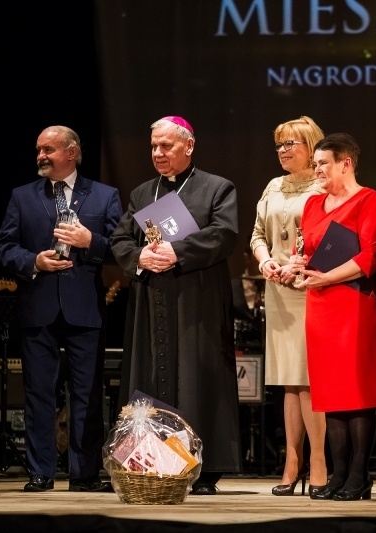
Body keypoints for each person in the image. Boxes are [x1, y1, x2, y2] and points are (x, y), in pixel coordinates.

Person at [110, 116, 240, 495]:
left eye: (166, 146)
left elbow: (224, 234)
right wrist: (139, 258)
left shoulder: (218, 188)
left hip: (196, 304)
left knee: (196, 377)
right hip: (151, 305)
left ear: (189, 145)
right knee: (150, 378)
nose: (158, 153)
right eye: (153, 146)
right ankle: (148, 463)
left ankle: (203, 466)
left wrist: (175, 251)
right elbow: (120, 239)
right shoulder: (142, 193)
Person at [0, 125, 122, 492]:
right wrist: (34, 261)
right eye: (38, 150)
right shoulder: (22, 196)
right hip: (39, 306)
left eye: (48, 149)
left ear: (73, 153)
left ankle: (84, 474)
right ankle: (41, 473)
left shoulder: (104, 195)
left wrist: (90, 241)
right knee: (39, 393)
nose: (41, 156)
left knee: (87, 394)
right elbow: (4, 248)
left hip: (85, 308)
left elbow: (121, 248)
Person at [290, 133, 376, 501]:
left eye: (323, 163)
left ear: (345, 163)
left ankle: (360, 476)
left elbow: (370, 257)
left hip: (355, 304)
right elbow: (308, 250)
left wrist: (326, 277)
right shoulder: (314, 203)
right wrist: (298, 264)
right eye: (314, 164)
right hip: (320, 306)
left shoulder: (369, 199)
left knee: (358, 393)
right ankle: (339, 473)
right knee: (331, 394)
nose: (316, 170)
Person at [250, 116, 326, 495]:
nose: (282, 150)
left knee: (310, 380)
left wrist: (299, 265)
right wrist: (266, 262)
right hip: (277, 290)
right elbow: (258, 234)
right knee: (289, 383)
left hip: (309, 287)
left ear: (311, 148)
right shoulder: (273, 185)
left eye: (290, 143)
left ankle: (318, 462)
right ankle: (292, 460)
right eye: (279, 144)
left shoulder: (323, 185)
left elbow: (329, 237)